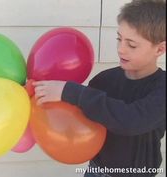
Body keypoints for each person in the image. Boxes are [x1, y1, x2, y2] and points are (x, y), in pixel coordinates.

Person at [32, 0, 166, 177]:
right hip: (96, 170)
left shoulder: (162, 87)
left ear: (160, 49)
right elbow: (85, 115)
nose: (121, 49)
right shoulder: (104, 80)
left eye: (131, 44)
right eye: (119, 38)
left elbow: (131, 120)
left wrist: (69, 91)